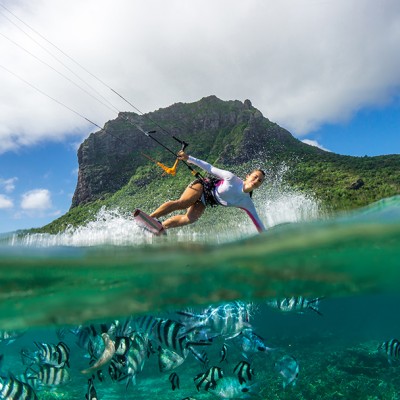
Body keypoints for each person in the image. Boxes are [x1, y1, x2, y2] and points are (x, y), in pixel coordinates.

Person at [150, 151, 266, 233]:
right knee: (184, 203)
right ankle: (151, 218)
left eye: (259, 181)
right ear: (248, 176)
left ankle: (161, 227)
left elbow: (258, 223)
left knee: (190, 218)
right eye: (255, 177)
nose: (256, 181)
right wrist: (188, 158)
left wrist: (266, 238)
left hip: (207, 199)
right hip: (203, 187)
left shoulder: (247, 202)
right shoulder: (231, 178)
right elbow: (209, 168)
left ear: (260, 186)